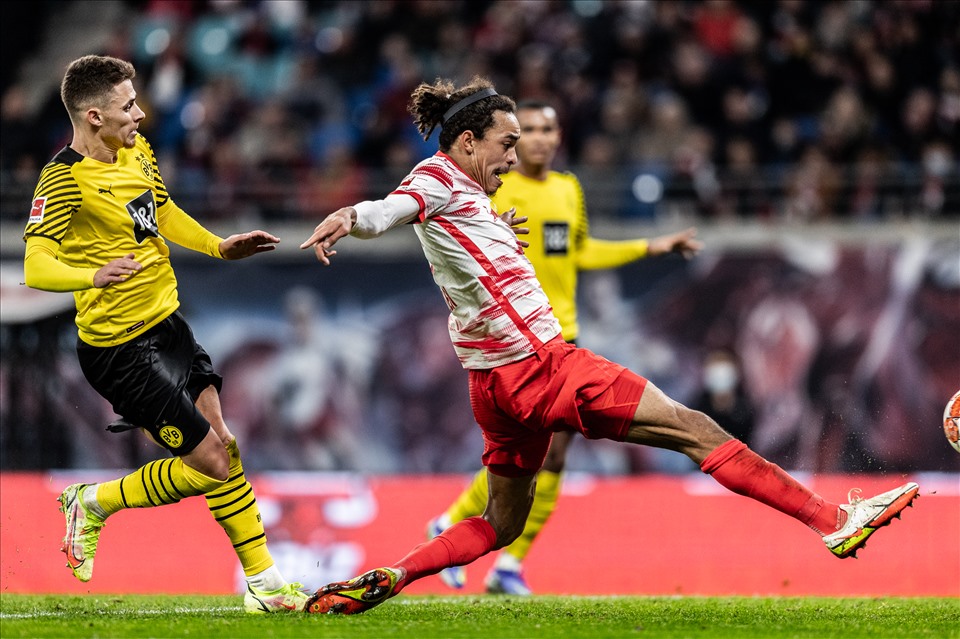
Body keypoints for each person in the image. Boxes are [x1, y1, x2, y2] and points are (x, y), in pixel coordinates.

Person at [298, 77, 919, 615]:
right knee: (695, 429)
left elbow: (451, 230)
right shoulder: (435, 180)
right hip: (544, 367)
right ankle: (832, 521)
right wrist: (350, 218)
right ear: (467, 141)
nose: (514, 157)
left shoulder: (471, 196)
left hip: (492, 387)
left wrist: (497, 231)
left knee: (500, 523)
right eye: (507, 143)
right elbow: (392, 208)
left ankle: (396, 574)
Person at [21, 55, 307, 614]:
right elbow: (36, 265)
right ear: (95, 116)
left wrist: (217, 245)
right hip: (119, 349)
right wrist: (91, 275)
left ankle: (266, 586)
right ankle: (94, 502)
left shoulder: (137, 150)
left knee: (224, 448)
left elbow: (163, 210)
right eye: (128, 106)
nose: (141, 114)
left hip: (168, 324)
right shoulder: (63, 179)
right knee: (212, 462)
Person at [425, 99, 703, 595]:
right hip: (514, 341)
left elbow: (579, 251)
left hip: (561, 335)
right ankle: (485, 545)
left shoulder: (567, 189)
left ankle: (486, 548)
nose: (537, 138)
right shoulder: (494, 187)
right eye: (528, 129)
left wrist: (649, 246)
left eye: (546, 129)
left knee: (548, 458)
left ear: (558, 138)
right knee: (538, 457)